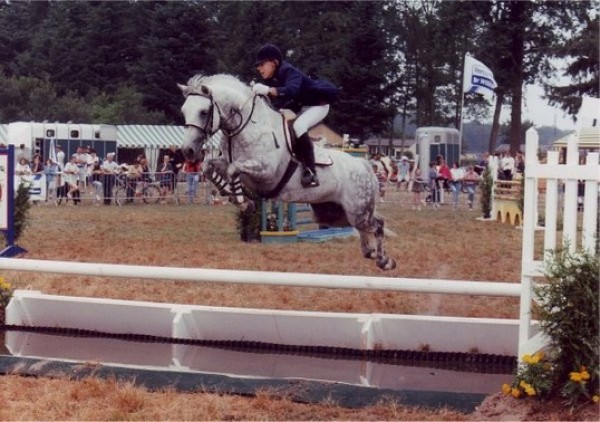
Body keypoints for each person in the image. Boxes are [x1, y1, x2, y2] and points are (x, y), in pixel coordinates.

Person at [252, 43, 339, 188]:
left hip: (318, 105)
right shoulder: (273, 78)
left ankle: (311, 172)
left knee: (299, 126)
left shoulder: (289, 71)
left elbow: (291, 91)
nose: (258, 68)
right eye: (258, 65)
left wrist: (267, 90)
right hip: (300, 106)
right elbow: (278, 101)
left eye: (262, 64)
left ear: (274, 62)